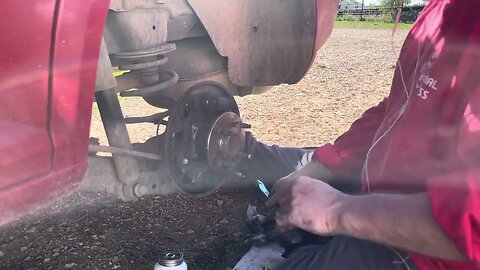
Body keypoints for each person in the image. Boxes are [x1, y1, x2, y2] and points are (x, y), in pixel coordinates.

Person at [240, 0, 480, 269]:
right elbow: (399, 106)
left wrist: (335, 210)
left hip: (430, 245)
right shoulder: (445, 8)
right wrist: (319, 166)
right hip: (387, 186)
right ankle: (239, 149)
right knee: (287, 164)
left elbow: (470, 227)